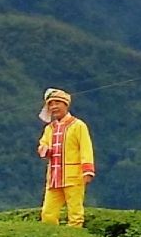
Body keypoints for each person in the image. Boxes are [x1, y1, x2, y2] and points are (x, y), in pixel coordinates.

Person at [35, 87, 96, 225]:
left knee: (75, 213)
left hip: (73, 176)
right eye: (51, 104)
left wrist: (88, 170)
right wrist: (44, 149)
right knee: (48, 213)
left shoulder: (78, 126)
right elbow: (42, 145)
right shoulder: (49, 128)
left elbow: (86, 148)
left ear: (66, 104)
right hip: (54, 177)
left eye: (57, 103)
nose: (54, 107)